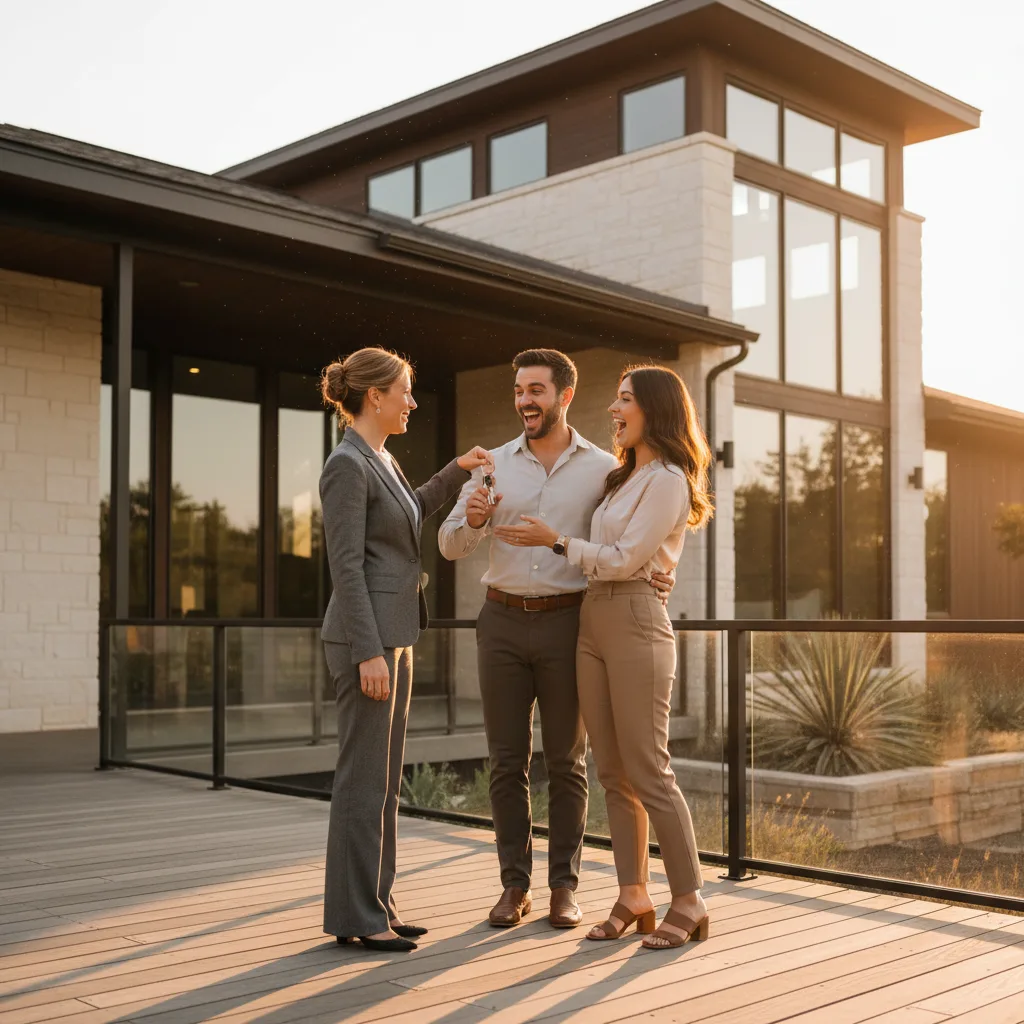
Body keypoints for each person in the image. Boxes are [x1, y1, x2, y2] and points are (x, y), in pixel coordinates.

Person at [438, 349, 673, 930]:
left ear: (565, 396)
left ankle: (564, 888)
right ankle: (512, 887)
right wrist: (469, 521)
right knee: (505, 761)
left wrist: (661, 570)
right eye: (519, 391)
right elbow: (448, 546)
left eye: (537, 391)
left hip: (573, 624)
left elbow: (637, 532)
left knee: (568, 762)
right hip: (501, 622)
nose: (525, 401)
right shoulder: (490, 464)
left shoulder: (603, 468)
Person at [493, 364, 712, 950]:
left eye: (624, 401)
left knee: (649, 768)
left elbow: (622, 557)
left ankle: (689, 899)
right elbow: (618, 555)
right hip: (593, 619)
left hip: (636, 619)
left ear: (655, 410)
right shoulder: (622, 477)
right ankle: (633, 892)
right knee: (612, 771)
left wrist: (557, 542)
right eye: (614, 400)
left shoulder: (668, 478)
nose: (613, 410)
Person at [319, 346, 492, 953]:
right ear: (376, 397)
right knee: (361, 781)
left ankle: (379, 906)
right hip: (367, 641)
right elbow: (345, 565)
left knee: (385, 781)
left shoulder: (379, 459)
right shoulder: (346, 464)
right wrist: (368, 650)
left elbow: (411, 509)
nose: (413, 402)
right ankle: (357, 914)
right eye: (405, 392)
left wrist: (453, 469)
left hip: (397, 635)